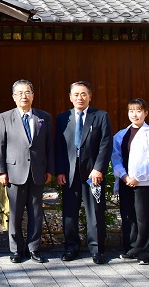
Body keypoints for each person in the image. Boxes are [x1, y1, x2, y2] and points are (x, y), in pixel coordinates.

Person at [0, 79, 54, 264]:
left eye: (27, 92)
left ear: (33, 95)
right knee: (15, 213)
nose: (24, 96)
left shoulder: (44, 117)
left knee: (36, 213)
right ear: (13, 97)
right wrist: (1, 171)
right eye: (19, 93)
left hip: (37, 172)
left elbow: (49, 146)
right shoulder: (5, 117)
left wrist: (50, 169)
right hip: (14, 172)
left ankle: (34, 248)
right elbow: (0, 146)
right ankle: (16, 250)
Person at [56, 80, 113, 265]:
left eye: (83, 94)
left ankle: (97, 249)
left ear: (90, 96)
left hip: (92, 174)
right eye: (76, 94)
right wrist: (60, 171)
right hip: (70, 173)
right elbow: (59, 147)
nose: (80, 97)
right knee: (69, 213)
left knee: (95, 212)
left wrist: (98, 168)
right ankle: (71, 247)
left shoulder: (101, 116)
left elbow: (105, 144)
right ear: (70, 97)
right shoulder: (63, 118)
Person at [112, 98, 149, 266]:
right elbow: (116, 157)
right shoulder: (121, 135)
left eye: (139, 110)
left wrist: (137, 177)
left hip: (145, 183)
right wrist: (124, 176)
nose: (135, 114)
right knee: (129, 217)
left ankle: (145, 252)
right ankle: (132, 248)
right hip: (126, 181)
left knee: (144, 218)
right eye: (131, 111)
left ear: (146, 113)